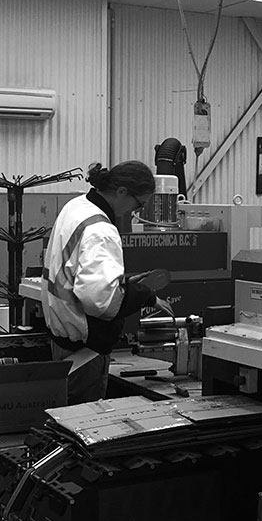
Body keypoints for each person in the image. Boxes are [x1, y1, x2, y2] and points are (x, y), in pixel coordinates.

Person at [43, 161, 170, 403]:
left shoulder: (76, 207)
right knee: (82, 424)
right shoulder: (101, 230)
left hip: (62, 338)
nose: (135, 211)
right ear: (121, 191)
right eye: (139, 204)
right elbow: (101, 303)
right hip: (85, 352)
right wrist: (142, 293)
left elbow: (77, 273)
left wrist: (123, 284)